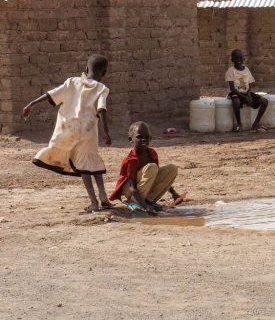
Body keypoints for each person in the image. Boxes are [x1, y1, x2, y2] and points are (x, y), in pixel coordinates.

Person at [22, 54, 112, 212]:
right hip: (88, 131)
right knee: (90, 161)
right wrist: (106, 132)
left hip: (68, 128)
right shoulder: (101, 89)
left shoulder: (72, 82)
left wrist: (31, 103)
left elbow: (51, 94)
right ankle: (103, 196)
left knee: (84, 166)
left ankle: (94, 202)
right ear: (104, 73)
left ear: (85, 69)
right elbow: (101, 109)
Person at [109, 121, 186, 214]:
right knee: (152, 167)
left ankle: (149, 200)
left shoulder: (152, 153)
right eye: (139, 137)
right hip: (130, 191)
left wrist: (174, 194)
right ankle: (137, 202)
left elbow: (158, 176)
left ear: (150, 138)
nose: (143, 140)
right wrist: (145, 207)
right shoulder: (131, 159)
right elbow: (132, 187)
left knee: (172, 168)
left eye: (146, 137)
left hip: (143, 190)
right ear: (131, 139)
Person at [226, 49, 268, 133]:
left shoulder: (246, 70)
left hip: (246, 93)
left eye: (240, 58)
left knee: (264, 101)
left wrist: (248, 94)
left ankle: (255, 124)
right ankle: (239, 124)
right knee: (236, 101)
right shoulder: (230, 71)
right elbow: (232, 88)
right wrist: (244, 98)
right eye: (236, 58)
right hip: (237, 93)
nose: (238, 60)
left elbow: (250, 85)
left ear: (243, 59)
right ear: (232, 59)